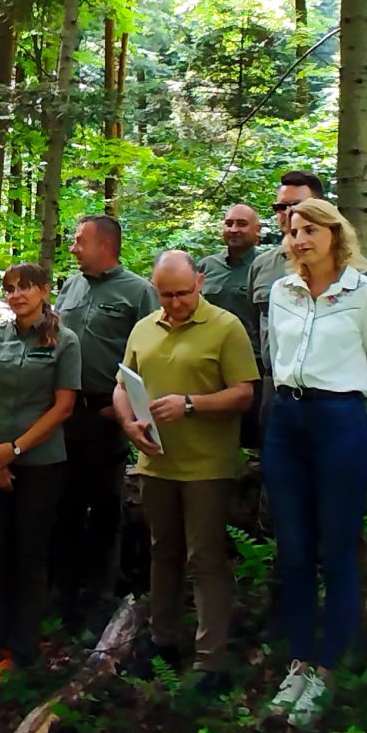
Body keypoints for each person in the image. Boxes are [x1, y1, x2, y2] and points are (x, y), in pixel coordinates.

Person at [259, 198, 367, 727]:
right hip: (287, 421)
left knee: (337, 546)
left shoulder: (364, 294)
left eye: (311, 229)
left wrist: (366, 427)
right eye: (294, 231)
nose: (300, 239)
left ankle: (328, 666)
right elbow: (275, 356)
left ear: (336, 234)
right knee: (292, 547)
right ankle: (298, 660)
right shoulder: (281, 290)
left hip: (341, 420)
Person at [112, 251, 257, 695]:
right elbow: (122, 385)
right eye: (165, 294)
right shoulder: (144, 327)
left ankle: (212, 660)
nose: (174, 303)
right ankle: (163, 640)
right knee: (163, 551)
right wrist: (128, 424)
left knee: (206, 557)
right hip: (156, 462)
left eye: (182, 293)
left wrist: (190, 404)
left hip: (205, 466)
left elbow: (244, 394)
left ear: (200, 281)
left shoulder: (226, 327)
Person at [0, 263, 82, 684]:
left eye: (25, 287)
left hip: (39, 463)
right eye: (10, 288)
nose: (17, 295)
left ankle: (22, 650)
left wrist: (14, 451)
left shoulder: (64, 341)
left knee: (29, 556)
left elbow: (63, 406)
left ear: (45, 290)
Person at [52, 214, 160, 631]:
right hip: (63, 413)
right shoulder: (71, 286)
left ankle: (101, 598)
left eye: (81, 241)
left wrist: (124, 410)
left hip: (106, 414)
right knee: (65, 507)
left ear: (106, 245)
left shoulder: (139, 293)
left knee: (104, 509)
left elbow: (148, 358)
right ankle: (62, 595)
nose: (74, 248)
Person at [197, 204, 265, 446]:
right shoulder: (206, 267)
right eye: (229, 223)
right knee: (213, 436)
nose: (234, 229)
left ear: (257, 230)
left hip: (253, 368)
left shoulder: (268, 267)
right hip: (209, 366)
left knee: (256, 437)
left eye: (242, 224)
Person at [248, 171, 327, 350]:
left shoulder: (351, 269)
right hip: (275, 376)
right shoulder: (262, 266)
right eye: (281, 207)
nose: (290, 212)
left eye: (298, 205)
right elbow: (256, 325)